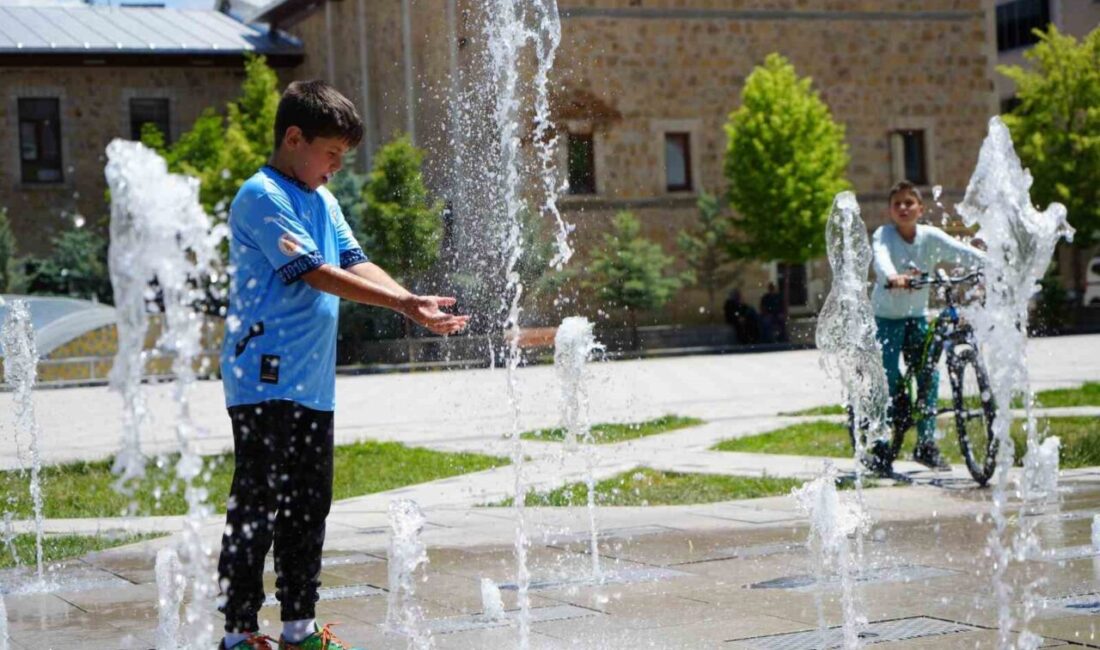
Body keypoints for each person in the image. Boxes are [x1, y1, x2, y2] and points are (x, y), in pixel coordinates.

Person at [216, 80, 468, 650]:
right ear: (294, 138)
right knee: (259, 502)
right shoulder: (261, 195)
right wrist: (402, 305)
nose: (335, 167)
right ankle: (239, 633)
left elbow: (354, 261)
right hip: (264, 376)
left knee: (309, 504)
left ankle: (299, 629)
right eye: (330, 154)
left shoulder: (323, 201)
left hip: (312, 381)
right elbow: (314, 272)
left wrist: (411, 301)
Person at [870, 180, 983, 471]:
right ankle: (884, 432)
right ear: (890, 211)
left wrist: (991, 265)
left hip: (917, 316)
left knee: (928, 375)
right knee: (886, 374)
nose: (903, 208)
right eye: (897, 204)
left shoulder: (930, 237)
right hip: (885, 318)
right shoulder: (884, 235)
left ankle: (926, 444)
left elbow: (962, 252)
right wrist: (893, 277)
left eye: (909, 202)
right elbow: (881, 259)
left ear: (920, 208)